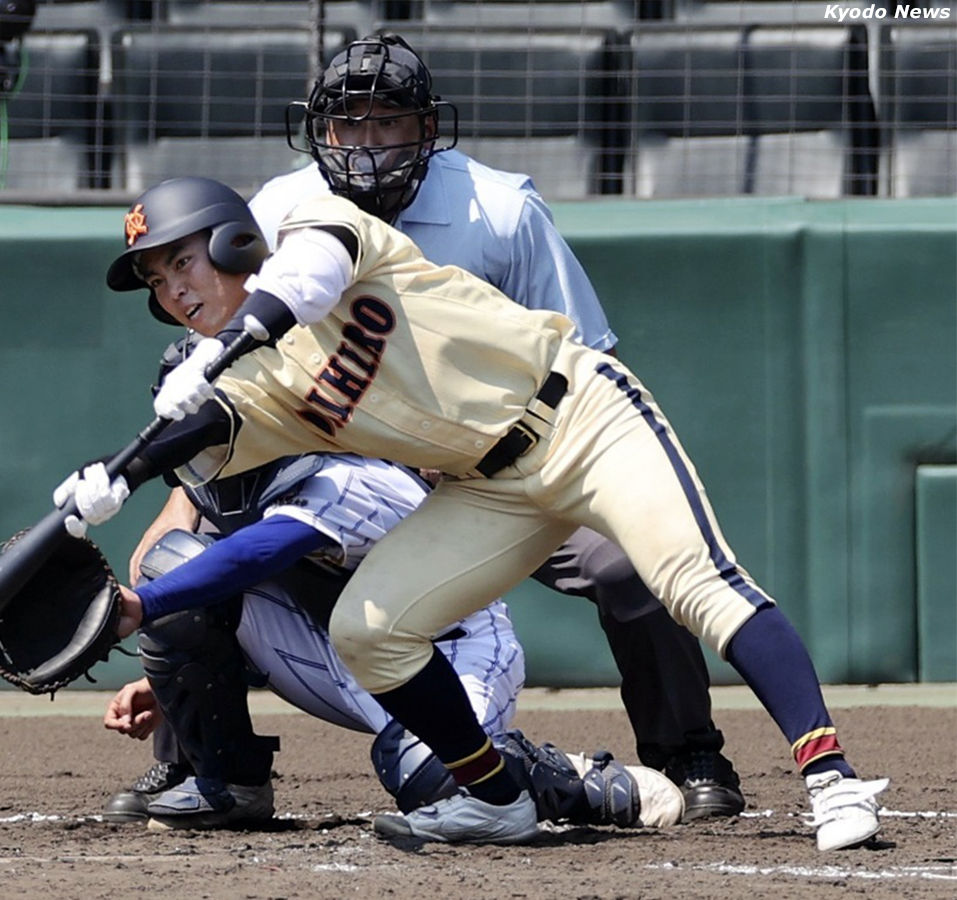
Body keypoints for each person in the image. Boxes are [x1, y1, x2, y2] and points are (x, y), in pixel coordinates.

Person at [65, 174, 888, 850]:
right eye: (157, 280)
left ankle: (832, 779)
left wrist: (219, 348)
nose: (173, 290)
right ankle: (497, 798)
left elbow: (307, 278)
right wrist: (120, 472)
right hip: (488, 488)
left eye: (183, 263)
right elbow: (212, 432)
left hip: (577, 415)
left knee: (696, 584)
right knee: (370, 630)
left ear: (232, 242)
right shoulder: (261, 380)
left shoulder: (315, 225)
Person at [151, 32, 746, 820]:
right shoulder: (277, 212)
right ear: (318, 132)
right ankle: (201, 763)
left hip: (506, 463)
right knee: (182, 555)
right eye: (347, 125)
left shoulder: (500, 211)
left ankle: (688, 755)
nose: (365, 143)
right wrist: (178, 506)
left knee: (624, 564)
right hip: (351, 470)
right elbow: (223, 383)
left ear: (426, 128)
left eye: (387, 121)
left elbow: (581, 356)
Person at [84, 442, 682, 831]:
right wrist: (166, 673)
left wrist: (139, 607)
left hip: (447, 652)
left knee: (434, 780)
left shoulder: (339, 472)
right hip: (333, 650)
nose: (202, 446)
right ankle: (232, 784)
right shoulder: (230, 476)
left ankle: (582, 782)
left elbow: (257, 554)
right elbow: (204, 576)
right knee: (173, 564)